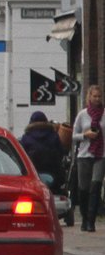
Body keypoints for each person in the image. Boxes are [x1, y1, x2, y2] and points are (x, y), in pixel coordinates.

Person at [73, 85, 105, 231]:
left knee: (95, 186)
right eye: (95, 96)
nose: (97, 99)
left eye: (99, 96)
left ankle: (91, 221)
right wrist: (85, 135)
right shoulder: (82, 115)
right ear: (89, 97)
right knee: (83, 188)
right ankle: (85, 218)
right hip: (84, 154)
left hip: (101, 155)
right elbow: (74, 136)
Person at [20, 111, 66, 191]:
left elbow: (22, 156)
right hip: (53, 173)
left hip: (33, 174)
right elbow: (61, 152)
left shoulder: (26, 138)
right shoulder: (53, 135)